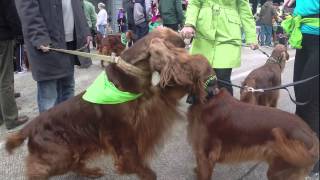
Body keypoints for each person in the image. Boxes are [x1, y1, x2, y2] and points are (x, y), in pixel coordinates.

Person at [15, 0, 91, 113]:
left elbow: (79, 5)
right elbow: (27, 8)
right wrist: (39, 36)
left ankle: (66, 127)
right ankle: (48, 130)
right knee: (49, 95)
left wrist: (85, 31)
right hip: (47, 42)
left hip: (70, 42)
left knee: (68, 88)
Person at [181, 0, 258, 95]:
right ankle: (199, 106)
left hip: (228, 35)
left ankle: (226, 109)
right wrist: (189, 24)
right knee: (200, 77)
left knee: (223, 79)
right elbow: (194, 3)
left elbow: (245, 10)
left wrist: (251, 37)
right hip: (203, 34)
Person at [283, 0, 319, 177]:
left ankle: (314, 164)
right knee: (301, 99)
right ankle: (299, 153)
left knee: (310, 101)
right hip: (303, 34)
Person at [0, 0, 29, 130]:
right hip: (3, 38)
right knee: (5, 79)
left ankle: (2, 116)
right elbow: (11, 14)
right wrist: (20, 35)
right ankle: (11, 118)